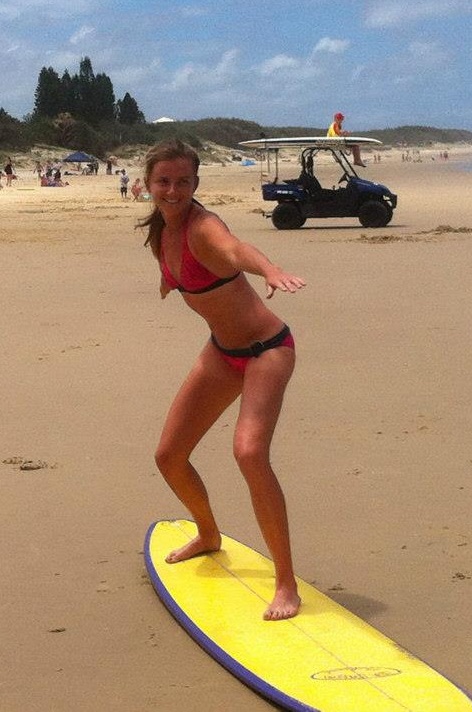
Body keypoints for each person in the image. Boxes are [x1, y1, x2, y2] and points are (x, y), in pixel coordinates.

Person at [138, 140, 306, 620]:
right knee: (169, 456)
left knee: (249, 453)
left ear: (196, 184)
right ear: (148, 184)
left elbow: (235, 250)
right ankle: (208, 533)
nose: (173, 191)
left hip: (266, 351)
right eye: (164, 181)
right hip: (222, 352)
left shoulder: (203, 227)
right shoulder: (160, 231)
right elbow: (181, 275)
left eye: (183, 182)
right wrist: (170, 280)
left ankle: (286, 583)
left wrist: (269, 268)